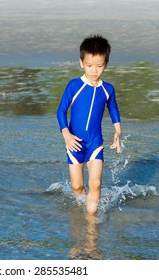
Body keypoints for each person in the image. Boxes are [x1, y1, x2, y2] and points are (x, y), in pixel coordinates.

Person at [56, 34, 122, 214]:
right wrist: (66, 135)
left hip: (95, 142)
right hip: (74, 142)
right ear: (81, 63)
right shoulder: (74, 85)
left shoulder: (107, 89)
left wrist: (118, 129)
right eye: (89, 65)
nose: (94, 70)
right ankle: (82, 218)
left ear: (106, 65)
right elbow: (61, 110)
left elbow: (113, 108)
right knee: (77, 186)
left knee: (96, 183)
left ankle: (92, 226)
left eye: (99, 66)